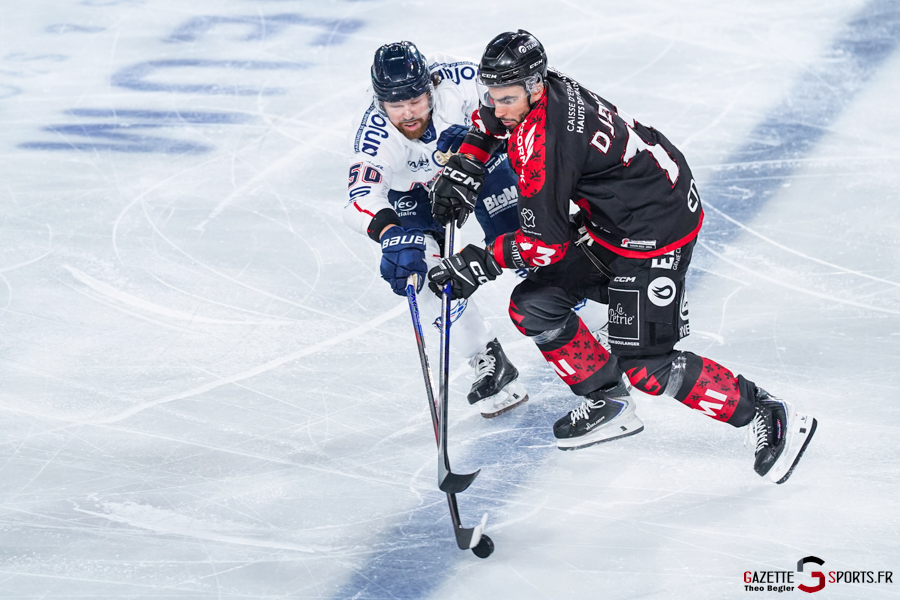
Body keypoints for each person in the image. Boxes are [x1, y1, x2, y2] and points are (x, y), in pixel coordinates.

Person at [427, 30, 817, 483]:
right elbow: (493, 120)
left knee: (647, 365)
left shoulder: (546, 144)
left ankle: (764, 411)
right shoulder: (547, 88)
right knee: (534, 303)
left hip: (655, 236)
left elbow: (543, 246)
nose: (498, 107)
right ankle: (608, 401)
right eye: (491, 95)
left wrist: (479, 260)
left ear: (534, 86)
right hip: (618, 221)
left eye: (507, 97)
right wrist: (469, 162)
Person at [342, 41, 528, 417]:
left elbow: (512, 112)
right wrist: (390, 232)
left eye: (416, 100)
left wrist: (480, 140)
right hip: (414, 193)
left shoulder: (461, 79)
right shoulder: (372, 134)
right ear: (380, 103)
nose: (408, 112)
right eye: (396, 105)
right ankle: (487, 358)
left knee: (528, 240)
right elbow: (359, 197)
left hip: (477, 166)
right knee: (423, 275)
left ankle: (595, 325)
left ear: (431, 87)